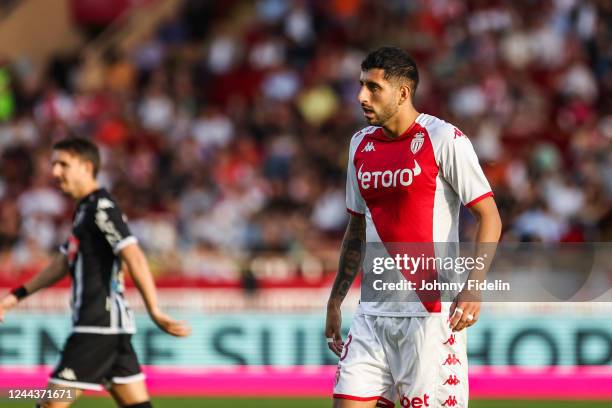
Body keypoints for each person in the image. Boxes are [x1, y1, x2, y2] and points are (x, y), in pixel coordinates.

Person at [325, 47, 502, 407]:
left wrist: (474, 287)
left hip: (430, 316)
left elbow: (490, 216)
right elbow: (356, 229)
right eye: (361, 86)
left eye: (373, 88)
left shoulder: (444, 139)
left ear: (403, 93)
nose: (361, 96)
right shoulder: (359, 145)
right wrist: (335, 298)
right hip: (372, 314)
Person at [0, 138, 191, 408]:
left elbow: (133, 254)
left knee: (48, 402)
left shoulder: (102, 208)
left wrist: (155, 310)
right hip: (111, 329)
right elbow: (62, 262)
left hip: (96, 327)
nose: (55, 172)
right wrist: (14, 297)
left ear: (87, 167)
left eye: (63, 164)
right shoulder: (84, 211)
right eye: (53, 164)